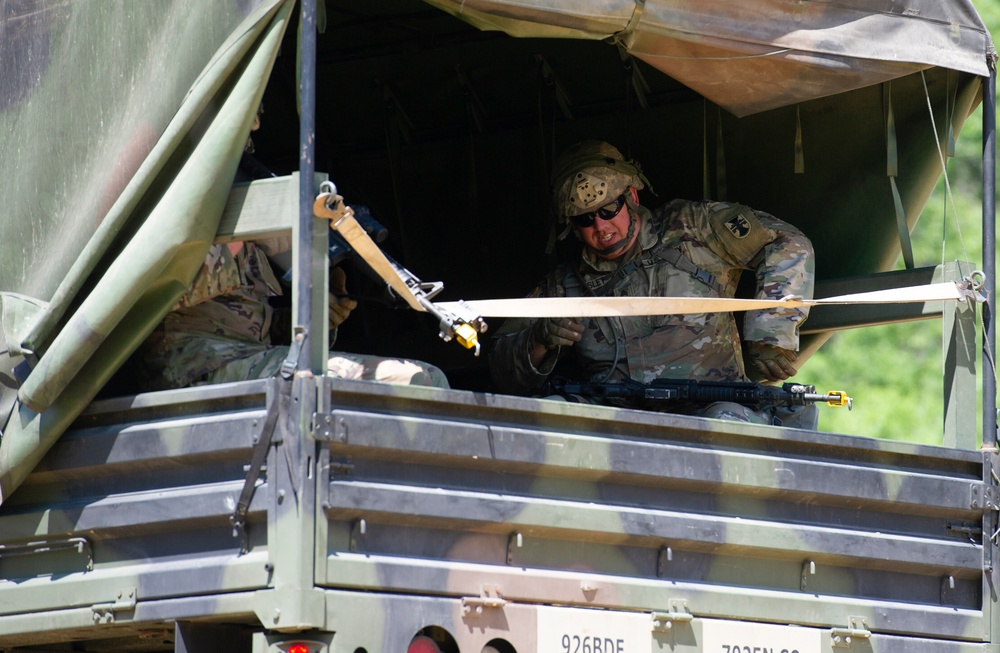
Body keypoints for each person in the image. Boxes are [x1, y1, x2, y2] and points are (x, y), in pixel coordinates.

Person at [488, 140, 814, 424]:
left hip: (712, 408)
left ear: (631, 196)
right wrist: (539, 341)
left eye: (608, 210)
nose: (602, 228)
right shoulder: (565, 285)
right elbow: (502, 371)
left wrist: (771, 329)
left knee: (726, 427)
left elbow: (786, 242)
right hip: (615, 422)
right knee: (549, 417)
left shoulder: (694, 229)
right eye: (585, 220)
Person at [136, 236, 450, 391]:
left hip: (236, 360)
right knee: (419, 382)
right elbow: (149, 294)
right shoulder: (178, 198)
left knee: (426, 380)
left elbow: (251, 326)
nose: (257, 126)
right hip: (193, 366)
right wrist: (237, 237)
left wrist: (319, 314)